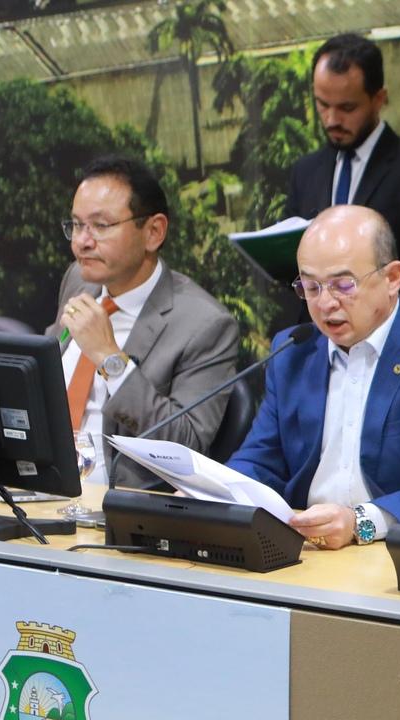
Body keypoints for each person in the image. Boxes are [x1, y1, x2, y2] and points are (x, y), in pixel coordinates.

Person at [228, 205, 400, 549]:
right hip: (307, 550)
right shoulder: (293, 351)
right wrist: (213, 491)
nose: (325, 304)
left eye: (343, 285)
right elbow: (259, 459)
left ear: (393, 278)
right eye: (311, 286)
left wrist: (359, 524)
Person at [50, 154, 240, 488]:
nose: (82, 241)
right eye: (77, 225)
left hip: (117, 507)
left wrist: (110, 360)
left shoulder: (205, 324)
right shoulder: (79, 281)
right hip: (42, 492)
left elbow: (188, 443)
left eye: (101, 226)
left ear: (153, 232)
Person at [286, 34, 400, 308]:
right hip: (317, 341)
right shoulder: (305, 172)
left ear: (378, 98)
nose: (332, 120)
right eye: (323, 104)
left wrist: (370, 286)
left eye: (347, 107)